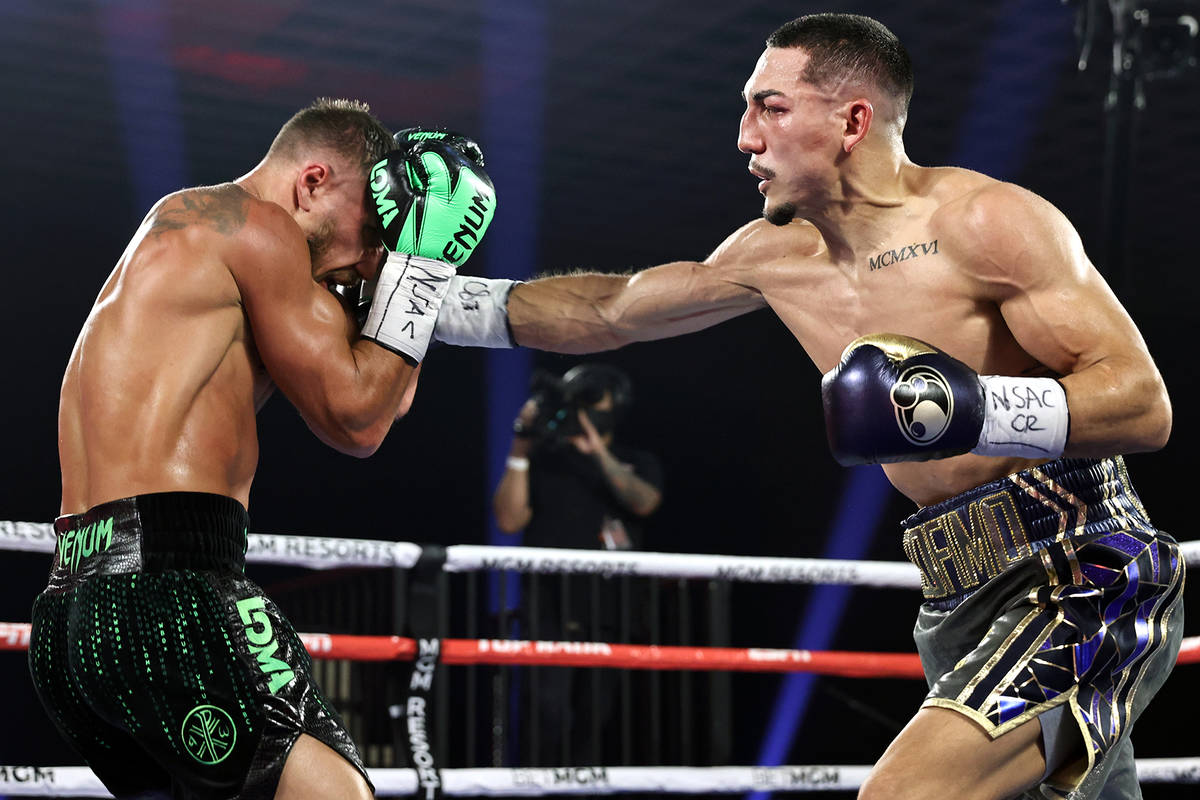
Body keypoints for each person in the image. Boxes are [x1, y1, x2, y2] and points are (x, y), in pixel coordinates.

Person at [431, 14, 1184, 800]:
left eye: (771, 108)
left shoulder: (982, 222)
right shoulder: (773, 255)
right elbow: (611, 309)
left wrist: (970, 407)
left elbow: (1142, 403)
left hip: (1084, 571)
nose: (744, 137)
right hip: (955, 594)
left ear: (852, 120)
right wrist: (426, 303)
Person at [30, 99, 495, 799]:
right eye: (369, 229)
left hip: (74, 611)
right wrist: (423, 261)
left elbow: (388, 395)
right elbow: (358, 420)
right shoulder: (260, 228)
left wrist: (405, 264)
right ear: (311, 183)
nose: (368, 255)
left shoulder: (192, 239)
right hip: (171, 588)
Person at [493, 364, 663, 765]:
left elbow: (645, 502)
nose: (582, 413)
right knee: (546, 712)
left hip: (611, 612)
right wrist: (521, 444)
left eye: (591, 404)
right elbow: (508, 519)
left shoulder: (634, 461)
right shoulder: (546, 460)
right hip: (549, 609)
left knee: (595, 720)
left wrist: (596, 449)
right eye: (577, 404)